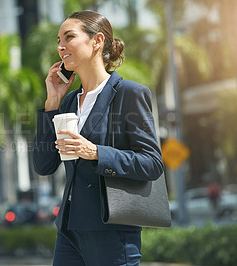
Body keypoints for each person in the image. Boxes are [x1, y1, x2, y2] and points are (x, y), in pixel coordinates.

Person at [33, 10, 164, 266]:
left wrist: (96, 152)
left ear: (97, 41)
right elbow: (43, 165)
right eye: (58, 40)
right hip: (69, 230)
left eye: (69, 37)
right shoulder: (68, 102)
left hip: (111, 229)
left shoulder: (129, 94)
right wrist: (52, 104)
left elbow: (152, 163)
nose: (61, 46)